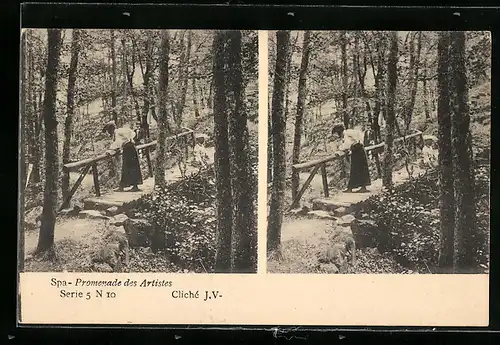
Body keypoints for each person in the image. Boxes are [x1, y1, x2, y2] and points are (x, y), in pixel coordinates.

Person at [332, 123, 371, 193]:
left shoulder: (347, 133)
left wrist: (340, 149)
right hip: (356, 150)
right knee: (357, 169)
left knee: (357, 168)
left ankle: (353, 188)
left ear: (339, 132)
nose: (338, 136)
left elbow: (347, 145)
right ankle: (358, 187)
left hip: (358, 150)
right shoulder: (346, 134)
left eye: (337, 134)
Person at [106, 124, 143, 192]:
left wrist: (109, 151)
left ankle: (123, 186)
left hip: (128, 149)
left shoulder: (118, 133)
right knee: (132, 167)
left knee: (127, 167)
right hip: (132, 147)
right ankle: (132, 186)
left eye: (109, 131)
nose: (109, 133)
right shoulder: (122, 130)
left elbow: (117, 143)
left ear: (111, 130)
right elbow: (132, 134)